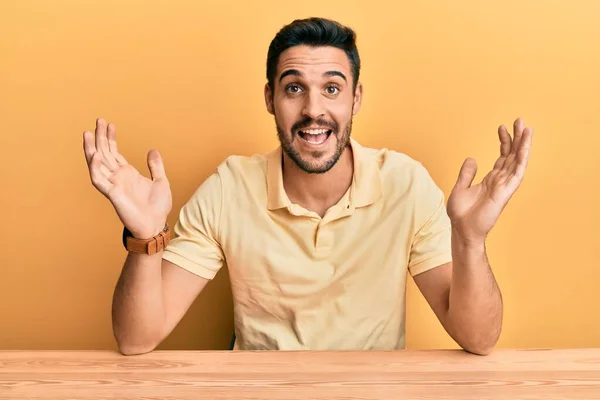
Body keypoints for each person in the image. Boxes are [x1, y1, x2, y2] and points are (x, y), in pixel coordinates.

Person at [83, 17, 533, 356]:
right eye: (294, 88)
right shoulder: (230, 188)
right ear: (269, 99)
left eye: (332, 89)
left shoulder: (404, 184)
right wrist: (145, 238)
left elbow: (477, 338)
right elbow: (136, 340)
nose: (314, 109)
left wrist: (470, 241)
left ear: (356, 98)